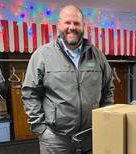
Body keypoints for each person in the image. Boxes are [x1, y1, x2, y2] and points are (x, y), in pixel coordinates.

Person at [22, 4, 114, 154]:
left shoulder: (97, 56)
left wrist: (104, 120)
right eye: (67, 22)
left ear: (83, 26)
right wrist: (40, 128)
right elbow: (30, 93)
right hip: (55, 139)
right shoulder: (42, 55)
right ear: (59, 25)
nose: (72, 27)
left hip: (90, 136)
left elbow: (108, 89)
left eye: (76, 23)